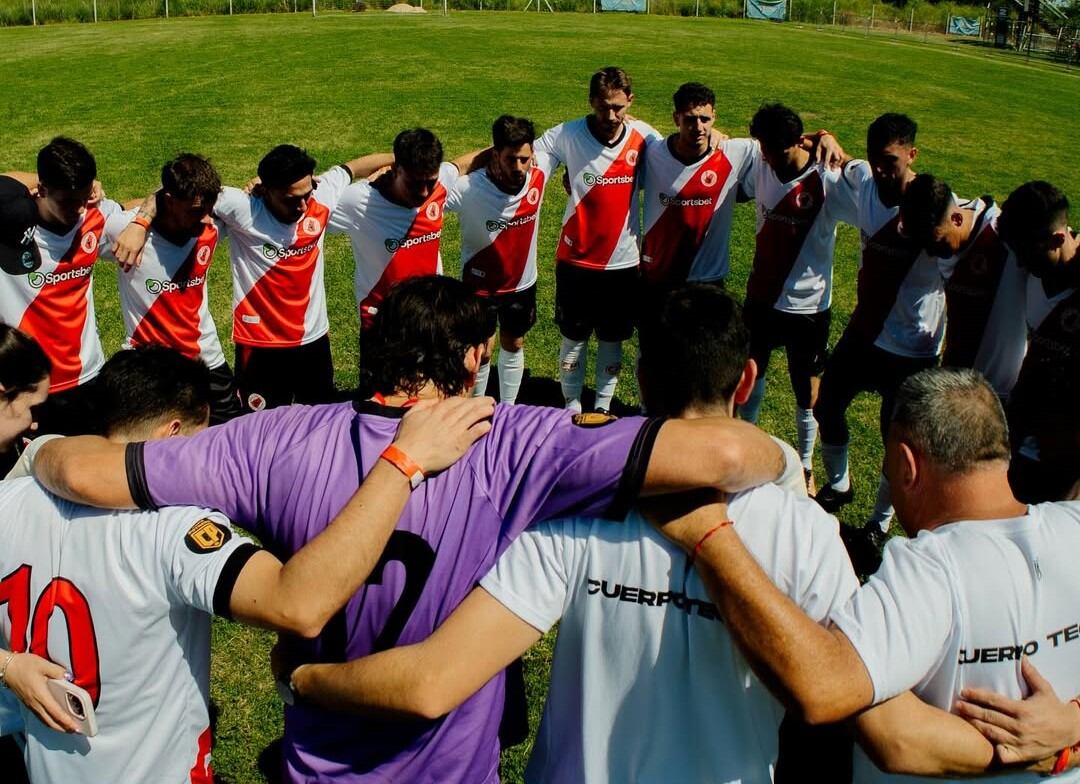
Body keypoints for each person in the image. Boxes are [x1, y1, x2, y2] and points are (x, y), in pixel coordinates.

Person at [33, 275, 786, 784]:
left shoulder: (271, 439)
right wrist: (782, 461)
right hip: (452, 769)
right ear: (473, 359)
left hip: (316, 757)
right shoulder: (518, 440)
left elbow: (84, 472)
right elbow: (727, 451)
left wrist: (40, 453)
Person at [275, 283, 861, 784]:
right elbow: (845, 698)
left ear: (641, 375)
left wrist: (305, 679)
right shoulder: (808, 532)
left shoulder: (575, 508)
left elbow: (433, 679)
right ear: (747, 379)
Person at [0, 393, 493, 784]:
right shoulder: (172, 530)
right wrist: (402, 462)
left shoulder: (9, 498)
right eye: (201, 441)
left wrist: (7, 665)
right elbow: (298, 605)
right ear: (172, 436)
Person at [648, 367, 1080, 781]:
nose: (887, 474)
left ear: (908, 466)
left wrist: (711, 534)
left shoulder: (928, 572)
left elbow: (872, 723)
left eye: (889, 465)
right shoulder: (1074, 527)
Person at [113, 143, 392, 413]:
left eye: (307, 194)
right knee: (257, 427)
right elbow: (178, 191)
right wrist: (142, 220)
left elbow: (353, 167)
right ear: (266, 190)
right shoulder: (242, 207)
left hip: (313, 340)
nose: (303, 206)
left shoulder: (320, 197)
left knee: (320, 419)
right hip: (260, 346)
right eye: (291, 199)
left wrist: (400, 161)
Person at [811, 114, 942, 576]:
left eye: (891, 161)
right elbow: (843, 162)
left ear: (912, 155)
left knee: (896, 440)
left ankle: (877, 523)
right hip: (865, 334)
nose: (882, 170)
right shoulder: (865, 180)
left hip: (914, 350)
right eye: (876, 160)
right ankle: (840, 484)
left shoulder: (934, 206)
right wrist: (826, 136)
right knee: (827, 405)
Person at [534, 66, 661, 414]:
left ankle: (603, 407)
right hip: (577, 259)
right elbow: (523, 154)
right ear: (591, 101)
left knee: (613, 338)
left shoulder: (644, 136)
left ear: (630, 102)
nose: (610, 115)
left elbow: (685, 151)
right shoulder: (566, 134)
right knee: (573, 338)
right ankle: (572, 406)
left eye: (618, 107)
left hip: (624, 261)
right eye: (603, 106)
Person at [738, 103, 846, 492]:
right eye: (763, 148)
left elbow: (872, 189)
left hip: (809, 306)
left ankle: (804, 463)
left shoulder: (828, 180)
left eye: (776, 151)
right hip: (761, 298)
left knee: (807, 388)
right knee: (751, 372)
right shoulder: (763, 162)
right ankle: (743, 444)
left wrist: (830, 140)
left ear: (798, 143)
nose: (767, 157)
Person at [100, 154, 244, 424]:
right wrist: (140, 222)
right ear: (169, 200)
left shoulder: (210, 225)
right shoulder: (122, 230)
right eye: (193, 210)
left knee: (231, 434)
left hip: (206, 356)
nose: (204, 218)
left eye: (208, 208)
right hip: (153, 368)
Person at [0, 139, 122, 434]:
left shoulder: (95, 215)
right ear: (40, 189)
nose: (78, 209)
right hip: (27, 383)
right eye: (68, 201)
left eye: (83, 197)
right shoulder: (8, 223)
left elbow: (132, 213)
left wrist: (144, 217)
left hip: (88, 375)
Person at [328, 128, 487, 342]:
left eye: (430, 182)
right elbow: (306, 203)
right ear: (395, 169)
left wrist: (508, 148)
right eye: (414, 183)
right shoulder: (357, 201)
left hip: (431, 317)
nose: (423, 192)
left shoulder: (440, 186)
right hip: (382, 324)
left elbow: (463, 164)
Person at [446, 115, 556, 403]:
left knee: (514, 342)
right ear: (494, 154)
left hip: (521, 284)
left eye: (525, 159)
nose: (520, 167)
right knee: (481, 351)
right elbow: (427, 189)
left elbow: (572, 137)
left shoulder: (540, 171)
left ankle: (508, 409)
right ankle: (478, 407)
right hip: (479, 287)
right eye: (511, 159)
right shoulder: (468, 188)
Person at [898, 173, 1028, 401]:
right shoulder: (939, 221)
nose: (930, 252)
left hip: (1000, 396)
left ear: (957, 219)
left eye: (936, 243)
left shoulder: (1006, 239)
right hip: (954, 390)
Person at [996, 181, 1080, 504]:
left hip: (1064, 456)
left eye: (1027, 252)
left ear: (1059, 238)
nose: (1019, 264)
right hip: (1023, 432)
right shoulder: (1034, 271)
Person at [639, 82, 758, 289]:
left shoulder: (734, 153)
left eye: (705, 119)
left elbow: (784, 142)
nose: (698, 127)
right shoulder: (652, 152)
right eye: (690, 119)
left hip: (708, 278)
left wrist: (821, 137)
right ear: (676, 118)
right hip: (658, 274)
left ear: (714, 118)